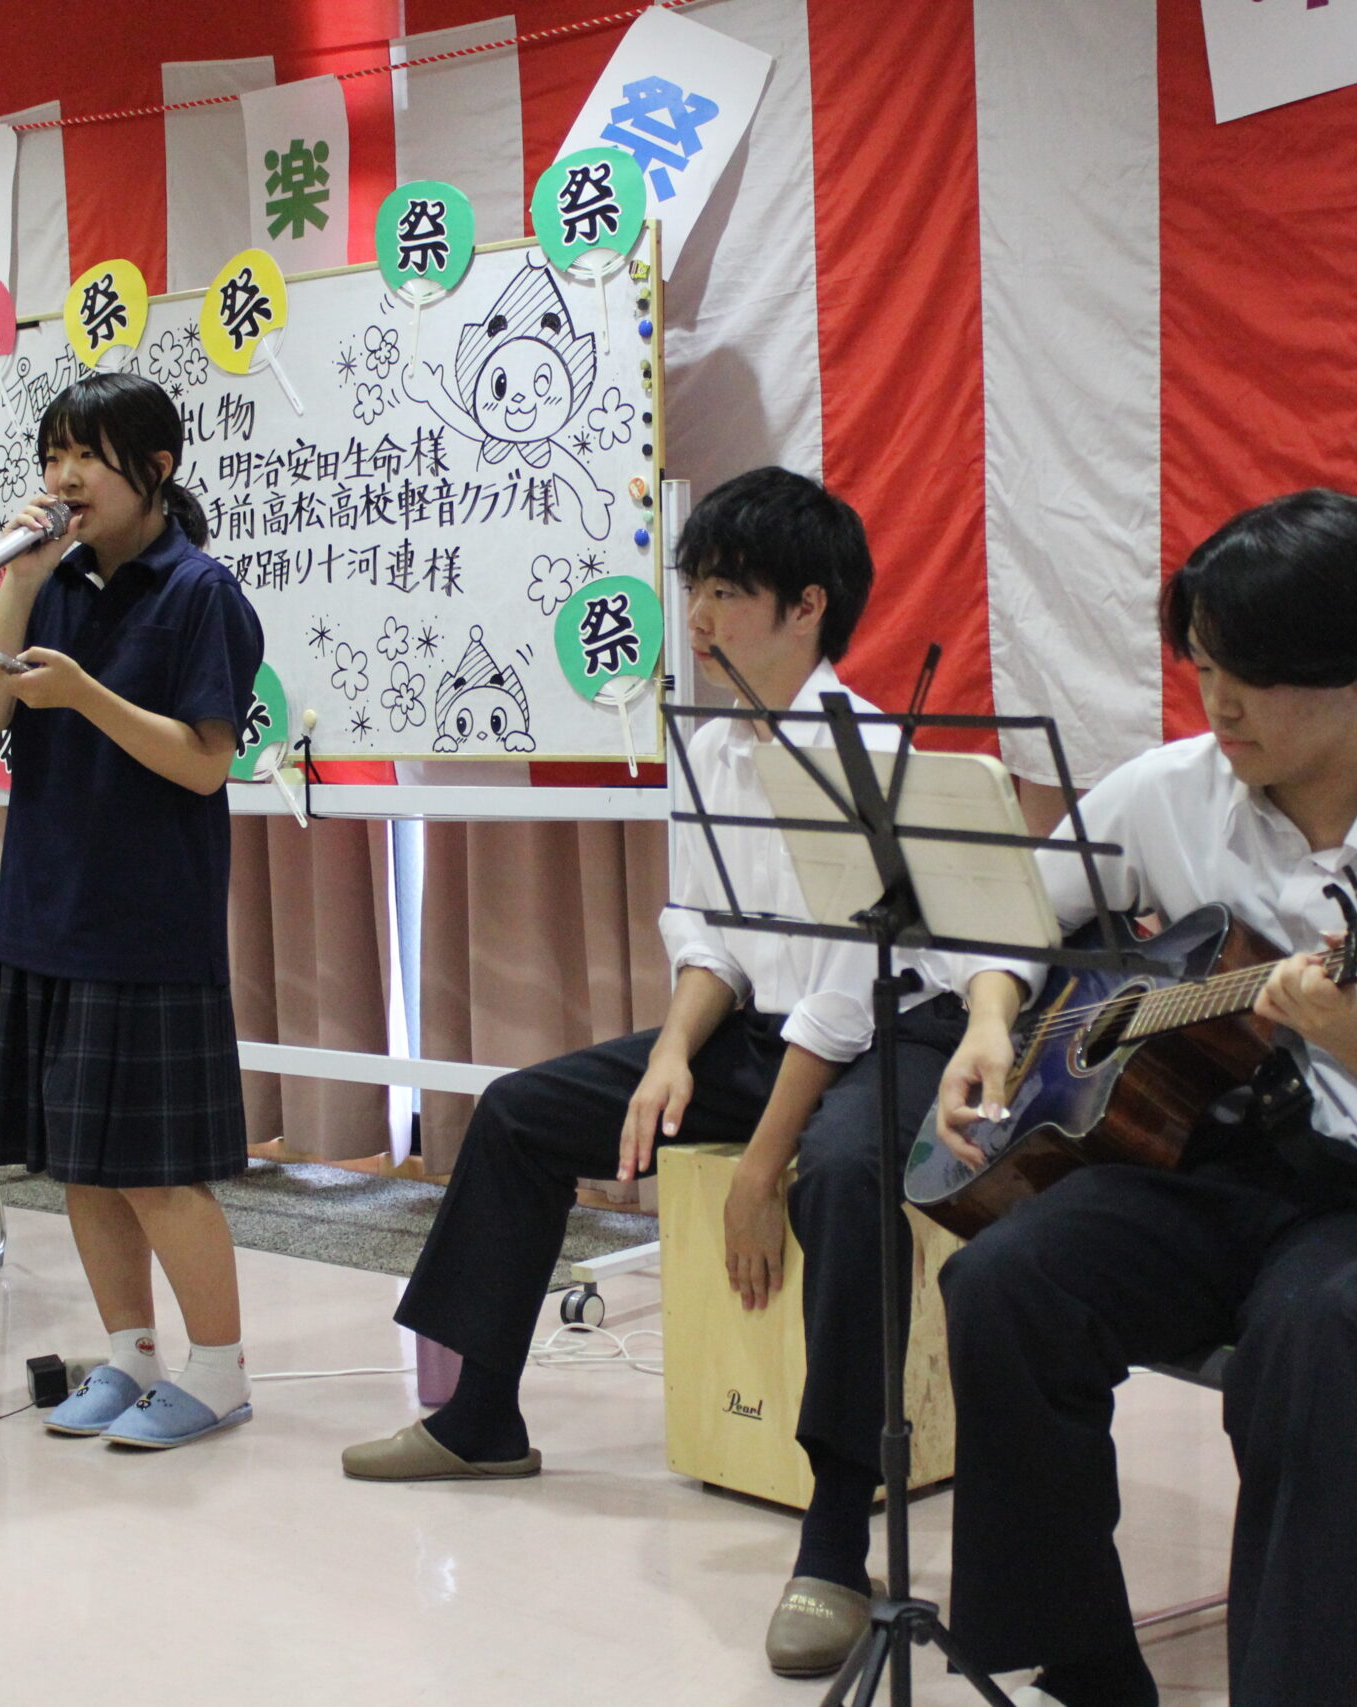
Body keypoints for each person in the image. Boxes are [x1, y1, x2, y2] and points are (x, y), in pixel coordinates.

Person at [340, 467, 1008, 1679]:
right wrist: (668, 1051)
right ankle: (479, 1416)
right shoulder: (709, 747)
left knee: (841, 1182)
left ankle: (832, 1539)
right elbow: (708, 933)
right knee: (519, 1113)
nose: (694, 619)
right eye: (691, 586)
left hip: (888, 1030)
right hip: (761, 1027)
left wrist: (760, 1167)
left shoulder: (861, 753)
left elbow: (842, 991)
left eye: (724, 592)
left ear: (807, 607)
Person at [930, 490, 1357, 1707]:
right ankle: (1083, 1669)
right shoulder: (1171, 789)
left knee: (1320, 1334)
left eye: (1250, 679)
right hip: (1214, 1176)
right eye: (1203, 668)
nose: (1216, 705)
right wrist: (985, 1018)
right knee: (1003, 1280)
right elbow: (1010, 910)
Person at [0, 370, 265, 1452]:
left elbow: (204, 765)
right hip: (47, 910)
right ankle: (129, 1357)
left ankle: (217, 1371)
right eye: (52, 455)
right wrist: (23, 578)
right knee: (78, 1162)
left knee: (157, 1171)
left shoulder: (200, 593)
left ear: (160, 466)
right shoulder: (55, 579)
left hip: (148, 921)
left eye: (86, 455)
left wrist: (85, 692)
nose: (64, 476)